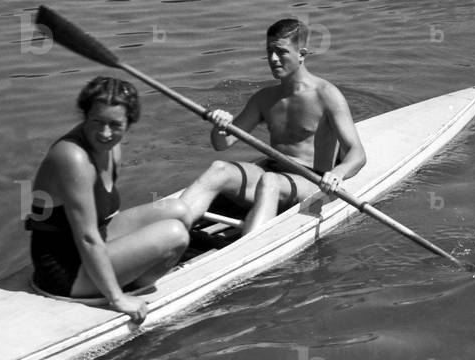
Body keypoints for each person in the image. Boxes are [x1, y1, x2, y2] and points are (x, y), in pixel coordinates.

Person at [25, 76, 191, 323]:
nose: (104, 133)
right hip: (65, 272)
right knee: (176, 234)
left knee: (179, 211)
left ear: (128, 124)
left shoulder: (112, 148)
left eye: (115, 125)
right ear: (85, 116)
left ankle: (130, 274)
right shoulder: (72, 157)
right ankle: (127, 289)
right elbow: (87, 238)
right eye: (97, 122)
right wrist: (117, 299)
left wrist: (135, 250)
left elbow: (106, 214)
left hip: (93, 243)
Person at [180, 19, 366, 235]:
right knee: (219, 169)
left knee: (270, 181)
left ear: (302, 54)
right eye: (269, 51)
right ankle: (169, 228)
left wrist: (338, 173)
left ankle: (246, 250)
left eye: (281, 52)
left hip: (311, 182)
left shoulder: (327, 95)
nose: (273, 59)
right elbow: (222, 144)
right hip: (272, 172)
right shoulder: (264, 98)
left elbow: (357, 153)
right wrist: (220, 127)